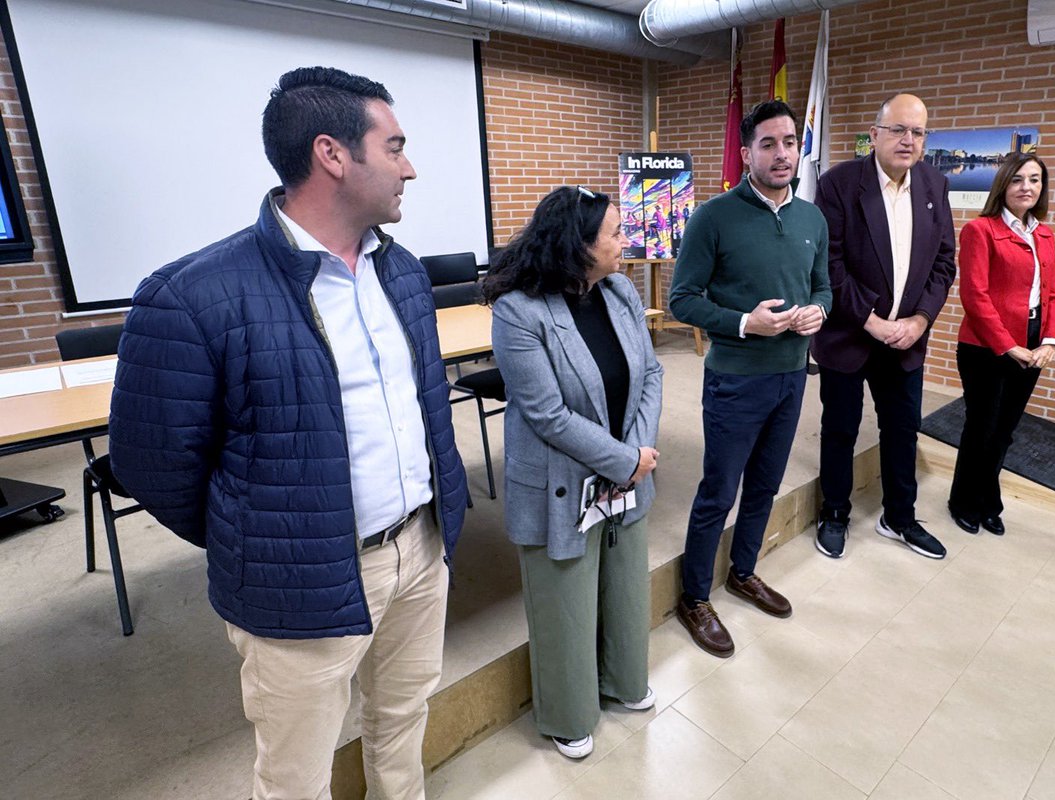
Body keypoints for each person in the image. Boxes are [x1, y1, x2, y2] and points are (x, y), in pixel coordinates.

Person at [108, 66, 468, 800]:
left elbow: (427, 410)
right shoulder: (191, 296)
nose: (411, 167)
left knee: (402, 723)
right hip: (299, 581)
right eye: (394, 146)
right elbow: (152, 466)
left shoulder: (400, 274)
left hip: (422, 551)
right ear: (334, 156)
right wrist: (263, 533)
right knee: (295, 775)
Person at [483, 186, 664, 759]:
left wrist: (636, 453)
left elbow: (652, 372)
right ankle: (568, 713)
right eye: (613, 232)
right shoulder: (519, 310)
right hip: (561, 479)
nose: (624, 241)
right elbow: (547, 415)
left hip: (626, 474)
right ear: (577, 245)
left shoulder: (620, 288)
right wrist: (623, 460)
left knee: (625, 585)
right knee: (564, 601)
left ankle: (621, 681)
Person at [669, 100, 832, 658]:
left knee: (765, 485)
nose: (782, 153)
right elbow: (682, 299)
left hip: (791, 377)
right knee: (719, 490)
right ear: (746, 153)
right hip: (736, 381)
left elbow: (823, 286)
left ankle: (742, 571)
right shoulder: (713, 218)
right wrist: (744, 322)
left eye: (789, 142)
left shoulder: (812, 218)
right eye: (768, 143)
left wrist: (819, 312)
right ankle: (694, 597)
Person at [812, 92, 957, 561]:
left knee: (902, 429)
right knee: (841, 428)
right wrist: (870, 320)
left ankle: (899, 516)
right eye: (898, 129)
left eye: (917, 132)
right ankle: (834, 512)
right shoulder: (838, 184)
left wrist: (921, 319)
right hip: (850, 335)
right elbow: (829, 266)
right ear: (874, 135)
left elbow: (943, 263)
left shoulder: (935, 185)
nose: (907, 140)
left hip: (906, 340)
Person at [948, 152, 1055, 535]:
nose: (1026, 187)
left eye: (1034, 179)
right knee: (982, 427)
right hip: (985, 345)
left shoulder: (1043, 234)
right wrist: (1007, 345)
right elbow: (975, 296)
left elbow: (1054, 294)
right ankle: (964, 501)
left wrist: (1051, 341)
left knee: (1005, 430)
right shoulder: (980, 230)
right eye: (1017, 179)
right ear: (1003, 184)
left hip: (1032, 342)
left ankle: (987, 500)